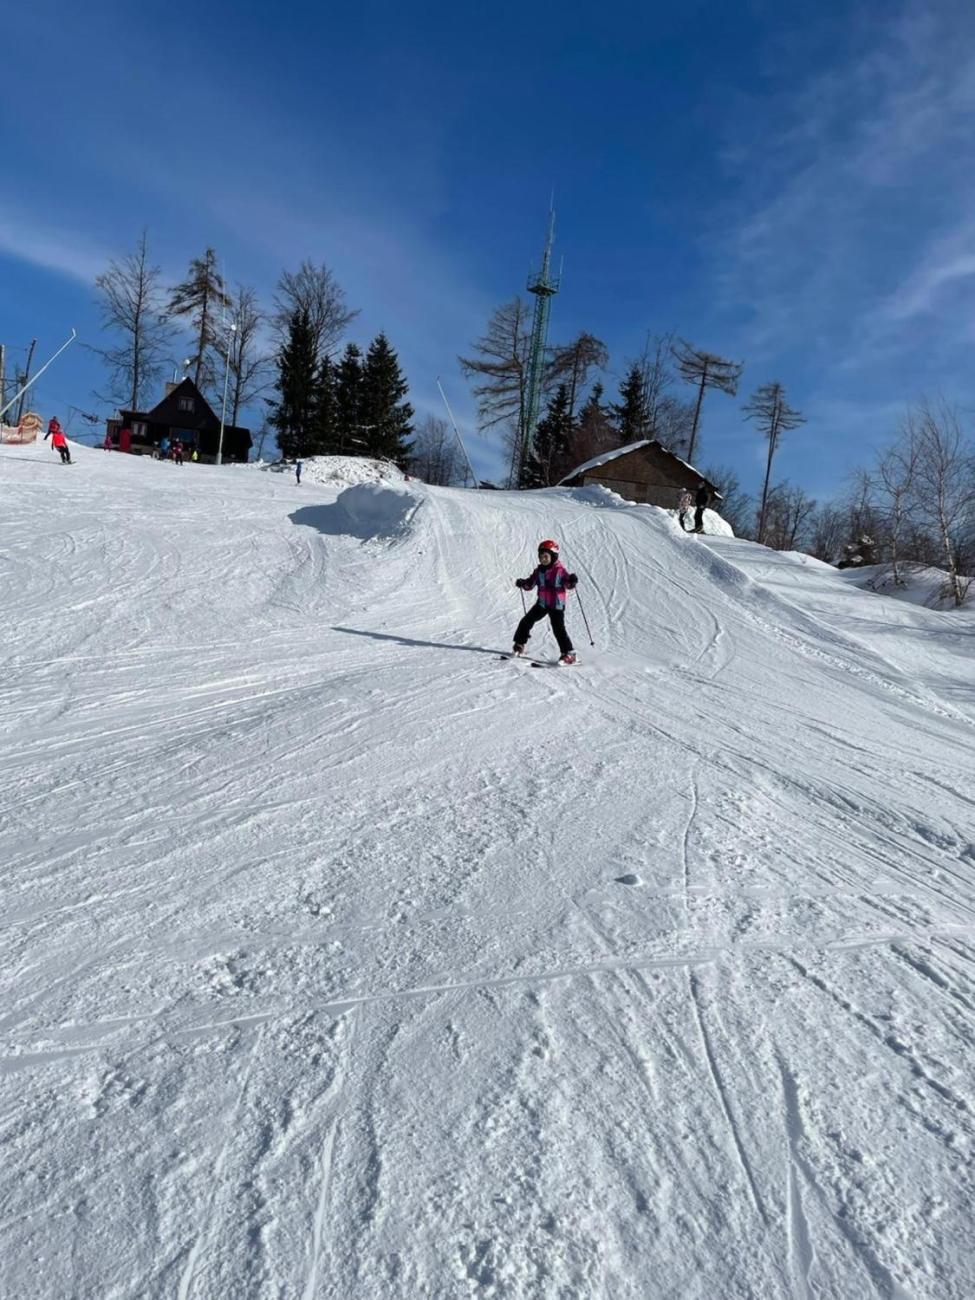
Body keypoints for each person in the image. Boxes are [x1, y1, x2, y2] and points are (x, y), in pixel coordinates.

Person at [512, 539, 578, 665]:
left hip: (556, 605)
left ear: (553, 556)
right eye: (541, 556)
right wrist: (523, 583)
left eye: (546, 556)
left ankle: (569, 654)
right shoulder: (539, 571)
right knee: (526, 621)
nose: (543, 559)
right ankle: (519, 645)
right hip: (542, 604)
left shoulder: (560, 571)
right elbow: (530, 584)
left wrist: (572, 581)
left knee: (558, 629)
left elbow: (568, 584)